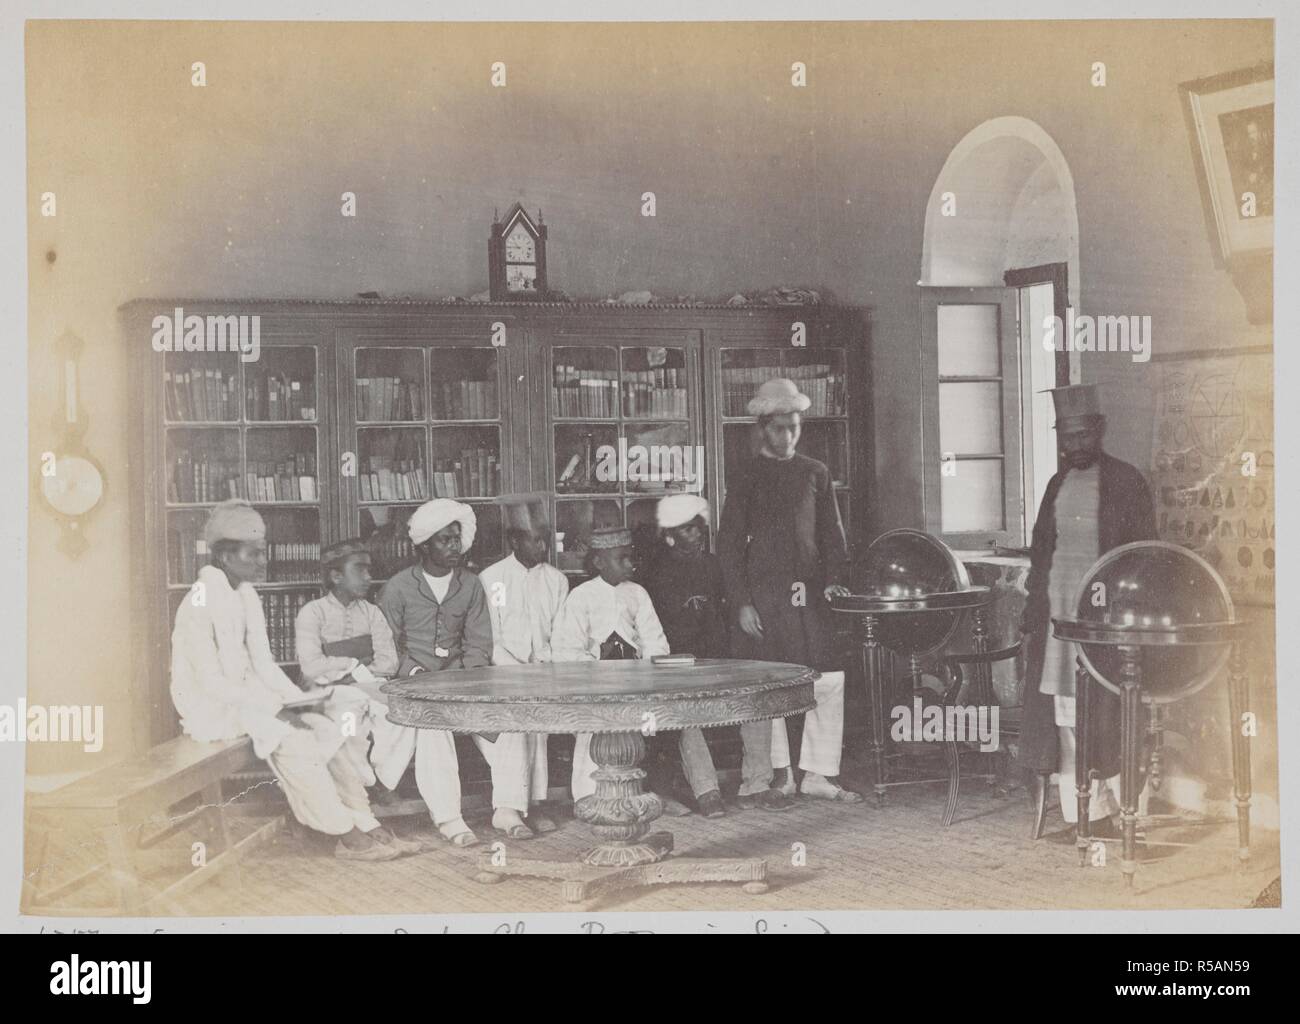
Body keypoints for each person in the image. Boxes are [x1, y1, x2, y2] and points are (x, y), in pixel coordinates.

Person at [169, 500, 404, 861]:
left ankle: (364, 819)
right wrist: (276, 710)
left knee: (330, 725)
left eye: (262, 553)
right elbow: (211, 684)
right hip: (211, 709)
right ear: (226, 556)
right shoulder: (198, 602)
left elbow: (264, 665)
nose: (263, 562)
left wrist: (296, 701)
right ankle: (344, 833)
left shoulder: (246, 595)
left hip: (251, 701)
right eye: (254, 554)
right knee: (294, 738)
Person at [717, 378, 862, 803]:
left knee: (827, 680)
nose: (788, 436)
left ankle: (818, 773)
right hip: (765, 597)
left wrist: (835, 580)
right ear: (763, 428)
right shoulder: (746, 475)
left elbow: (833, 535)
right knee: (770, 683)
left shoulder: (815, 472)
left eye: (795, 428)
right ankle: (781, 773)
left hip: (811, 595)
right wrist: (743, 602)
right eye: (780, 428)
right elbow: (729, 544)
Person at [1020, 384, 1157, 835]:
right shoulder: (1056, 485)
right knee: (1067, 719)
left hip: (1108, 629)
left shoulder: (1127, 481)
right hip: (1060, 626)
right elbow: (1043, 553)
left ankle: (1130, 813)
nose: (1073, 444)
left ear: (1099, 430)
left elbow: (1143, 555)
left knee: (1115, 717)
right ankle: (1087, 815)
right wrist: (1034, 616)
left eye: (1081, 434)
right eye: (1066, 435)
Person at [372, 499, 533, 845]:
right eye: (444, 540)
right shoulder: (398, 587)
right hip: (416, 686)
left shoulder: (471, 585)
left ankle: (508, 810)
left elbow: (479, 642)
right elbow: (388, 645)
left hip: (464, 682)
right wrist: (413, 673)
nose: (453, 547)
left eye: (456, 539)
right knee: (433, 729)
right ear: (425, 545)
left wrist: (467, 680)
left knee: (510, 725)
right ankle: (450, 819)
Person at [642, 493, 793, 815]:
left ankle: (756, 784)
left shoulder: (714, 565)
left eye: (698, 528)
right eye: (686, 530)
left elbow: (730, 613)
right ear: (669, 536)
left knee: (756, 704)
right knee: (684, 714)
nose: (696, 535)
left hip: (719, 658)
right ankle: (706, 790)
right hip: (677, 663)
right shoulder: (655, 574)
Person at [552, 525, 693, 812]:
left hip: (637, 681)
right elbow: (567, 649)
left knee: (656, 729)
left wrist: (644, 672)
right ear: (599, 562)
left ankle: (653, 794)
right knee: (594, 734)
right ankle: (589, 798)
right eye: (622, 559)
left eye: (631, 557)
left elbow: (655, 640)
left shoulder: (637, 593)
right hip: (595, 685)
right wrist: (599, 674)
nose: (631, 564)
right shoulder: (581, 596)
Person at [294, 538, 421, 854]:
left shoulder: (372, 613)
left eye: (369, 570)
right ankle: (365, 811)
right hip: (323, 693)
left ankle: (378, 780)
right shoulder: (312, 613)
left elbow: (388, 662)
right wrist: (352, 663)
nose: (367, 577)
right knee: (348, 722)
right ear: (336, 576)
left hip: (365, 688)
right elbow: (311, 667)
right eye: (359, 570)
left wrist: (346, 667)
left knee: (402, 714)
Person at [477, 495, 570, 834]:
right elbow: (491, 639)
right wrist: (518, 671)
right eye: (534, 539)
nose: (542, 545)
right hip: (503, 674)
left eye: (545, 538)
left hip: (546, 673)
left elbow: (560, 634)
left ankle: (533, 804)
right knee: (517, 726)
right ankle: (517, 807)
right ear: (514, 540)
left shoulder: (556, 580)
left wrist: (546, 669)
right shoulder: (493, 579)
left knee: (538, 727)